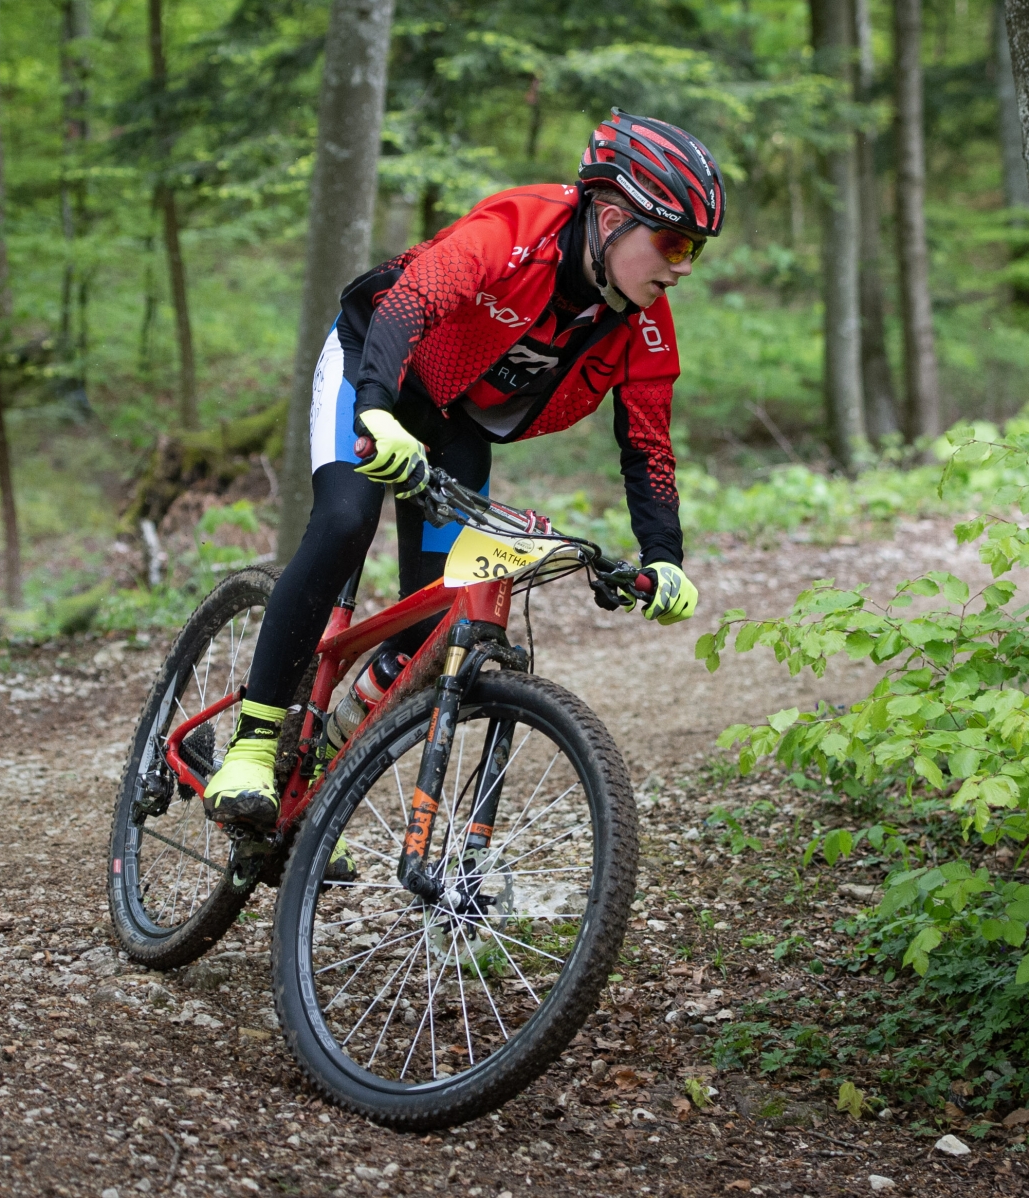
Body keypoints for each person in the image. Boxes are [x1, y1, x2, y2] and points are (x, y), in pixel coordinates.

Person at [201, 110, 724, 839]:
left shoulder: (645, 324)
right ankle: (254, 747)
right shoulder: (519, 228)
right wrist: (376, 410)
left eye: (696, 248)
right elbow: (408, 302)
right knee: (346, 520)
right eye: (674, 242)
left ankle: (311, 780)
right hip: (373, 364)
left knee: (431, 625)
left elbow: (648, 446)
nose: (684, 265)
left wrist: (663, 556)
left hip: (458, 423)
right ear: (611, 220)